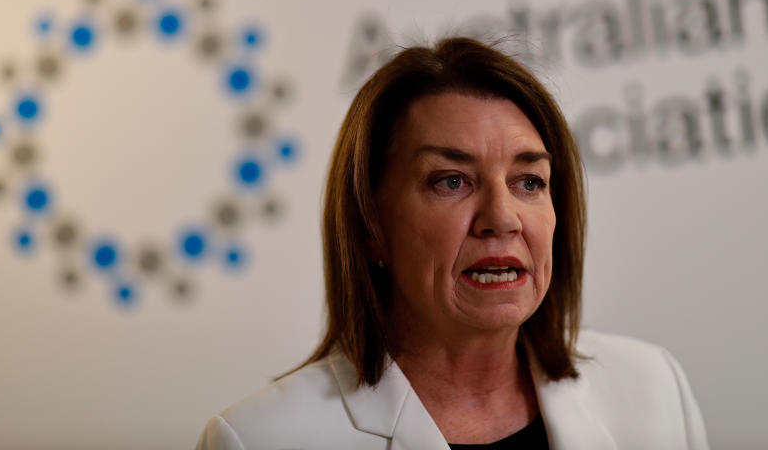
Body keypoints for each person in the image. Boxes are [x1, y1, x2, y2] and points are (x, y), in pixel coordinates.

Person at [196, 37, 708, 450]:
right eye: (451, 181)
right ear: (371, 226)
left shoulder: (653, 388)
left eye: (529, 182)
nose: (502, 218)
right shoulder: (258, 440)